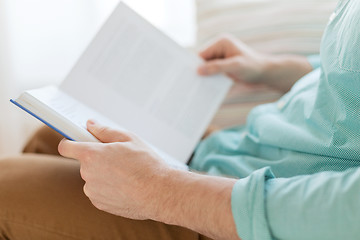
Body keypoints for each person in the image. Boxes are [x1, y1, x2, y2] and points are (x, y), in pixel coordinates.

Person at [1, 0, 359, 239]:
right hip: (245, 152)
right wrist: (283, 70)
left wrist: (161, 190)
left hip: (252, 211)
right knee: (51, 134)